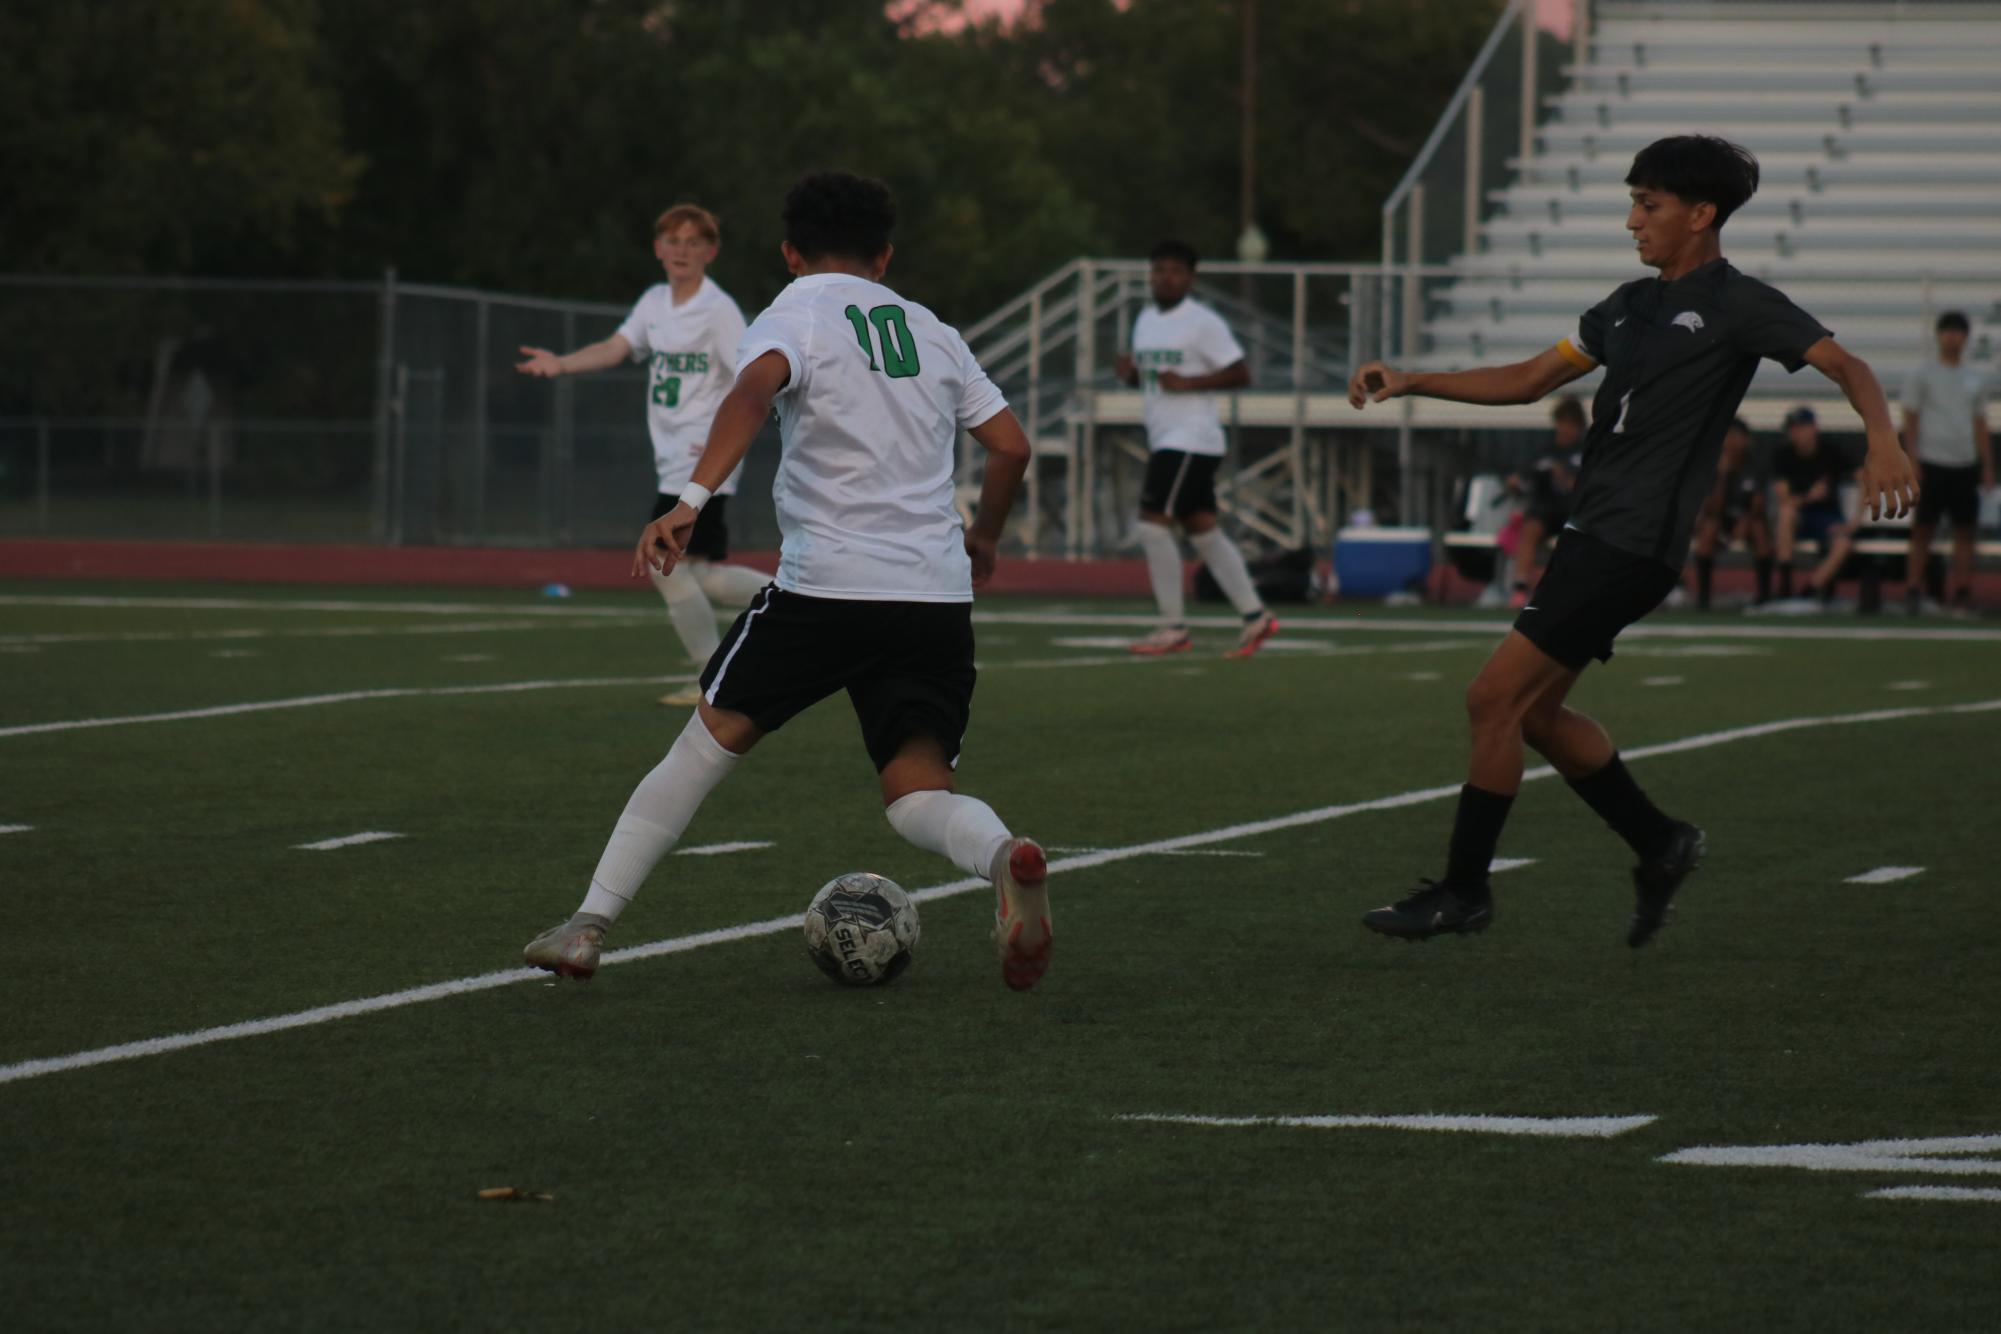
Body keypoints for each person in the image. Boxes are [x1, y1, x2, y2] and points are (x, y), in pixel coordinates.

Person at [1345, 135, 1915, 948]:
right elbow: (1531, 379)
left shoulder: (1740, 303)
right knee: (1535, 716)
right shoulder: (1623, 306)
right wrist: (1411, 378)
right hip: (1593, 534)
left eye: (1647, 206)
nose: (1631, 222)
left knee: (1490, 699)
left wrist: (1882, 441)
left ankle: (1464, 892)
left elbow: (1848, 366)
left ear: (1700, 214)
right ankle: (1658, 842)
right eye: (1633, 204)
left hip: (1630, 542)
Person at [523, 172, 1053, 992]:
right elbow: (1011, 446)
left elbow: (751, 388)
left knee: (702, 747)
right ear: (884, 255)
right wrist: (982, 536)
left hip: (826, 588)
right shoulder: (932, 329)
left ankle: (588, 925)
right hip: (931, 596)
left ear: (790, 252)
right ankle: (1000, 857)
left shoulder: (796, 308)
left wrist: (689, 501)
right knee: (915, 790)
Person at [517, 204, 772, 706]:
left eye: (694, 242)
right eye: (673, 241)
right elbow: (616, 348)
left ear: (711, 252)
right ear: (658, 249)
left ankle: (712, 681)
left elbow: (749, 376)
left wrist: (720, 443)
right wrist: (562, 364)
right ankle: (797, 600)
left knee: (661, 560)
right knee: (699, 573)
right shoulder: (655, 302)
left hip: (703, 458)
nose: (682, 250)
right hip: (675, 455)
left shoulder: (718, 310)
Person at [1114, 240, 1279, 658]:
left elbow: (1241, 372)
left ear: (1190, 277)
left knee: (1153, 525)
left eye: (1174, 270)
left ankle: (1172, 627)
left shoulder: (1203, 322)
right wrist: (1132, 376)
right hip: (1166, 435)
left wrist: (1191, 383)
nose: (1165, 277)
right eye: (1159, 270)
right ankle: (1256, 616)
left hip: (1191, 437)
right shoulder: (1145, 320)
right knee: (1204, 531)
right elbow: (1153, 381)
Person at [1901, 310, 1994, 614]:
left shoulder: (1974, 378)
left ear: (1965, 337)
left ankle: (1964, 589)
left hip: (1965, 462)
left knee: (1965, 530)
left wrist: (1987, 465)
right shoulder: (1923, 374)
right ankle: (1913, 587)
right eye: (1948, 331)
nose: (1953, 337)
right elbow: (1910, 418)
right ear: (1939, 335)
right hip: (1932, 460)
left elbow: (1980, 423)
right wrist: (1912, 458)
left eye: (1958, 332)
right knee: (1924, 528)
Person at [1504, 396, 1584, 609]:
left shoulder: (1584, 451)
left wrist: (1561, 475)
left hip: (1574, 509)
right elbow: (1523, 482)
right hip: (1545, 508)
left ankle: (1575, 590)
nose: (1566, 429)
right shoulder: (1543, 451)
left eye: (1571, 424)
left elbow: (1581, 486)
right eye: (1562, 423)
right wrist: (1514, 483)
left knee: (1579, 536)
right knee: (1529, 528)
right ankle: (1520, 588)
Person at [1771, 406, 1857, 603]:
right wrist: (1810, 497)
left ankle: (1810, 590)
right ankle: (1785, 583)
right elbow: (1784, 498)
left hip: (1827, 517)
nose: (1796, 433)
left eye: (1800, 427)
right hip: (1800, 517)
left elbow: (1862, 477)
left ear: (1813, 428)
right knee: (1786, 513)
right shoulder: (1784, 455)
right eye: (1793, 428)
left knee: (1843, 543)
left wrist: (1855, 521)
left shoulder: (1830, 452)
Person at [1689, 416, 1774, 608]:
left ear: (1746, 440)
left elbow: (1758, 505)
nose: (1731, 443)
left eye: (1736, 437)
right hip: (1722, 521)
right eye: (1728, 437)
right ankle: (1704, 598)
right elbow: (1713, 510)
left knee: (1759, 529)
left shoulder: (1756, 465)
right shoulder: (1714, 466)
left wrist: (1744, 522)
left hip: (1749, 520)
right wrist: (1723, 476)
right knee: (1708, 530)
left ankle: (1764, 596)